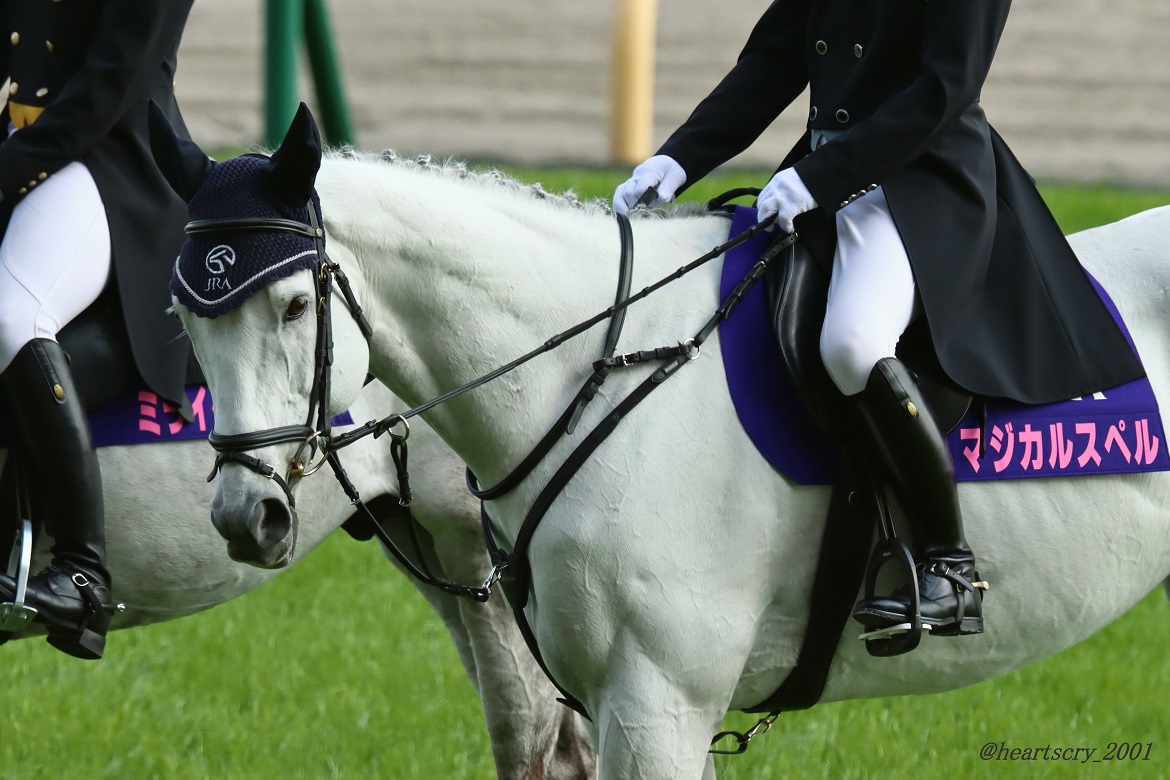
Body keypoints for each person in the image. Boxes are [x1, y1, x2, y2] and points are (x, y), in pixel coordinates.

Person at [614, 0, 1144, 637]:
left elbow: (945, 87)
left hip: (919, 180)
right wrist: (679, 160)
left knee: (853, 345)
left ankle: (951, 567)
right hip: (823, 175)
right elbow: (777, 56)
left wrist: (822, 175)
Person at [0, 0, 196, 659]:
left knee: (11, 314)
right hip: (21, 144)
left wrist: (6, 170)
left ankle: (82, 570)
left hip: (108, 157)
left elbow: (114, 80)